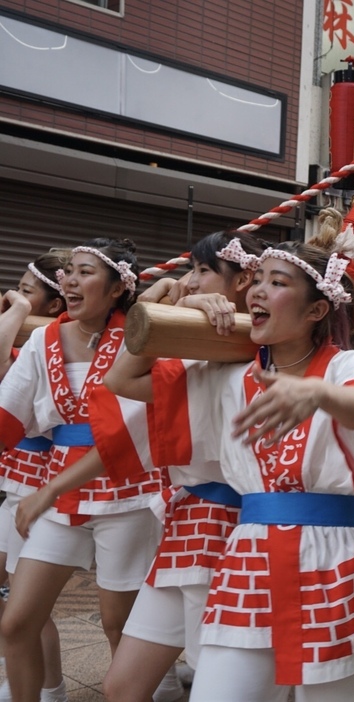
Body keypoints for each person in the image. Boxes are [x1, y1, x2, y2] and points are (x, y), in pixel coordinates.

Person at [102, 239, 354, 701]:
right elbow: (121, 379)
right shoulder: (228, 376)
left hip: (332, 560)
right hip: (247, 557)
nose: (257, 291)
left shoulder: (347, 364)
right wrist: (179, 303)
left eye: (277, 283)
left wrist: (317, 394)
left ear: (317, 310)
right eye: (256, 279)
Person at [0, 239, 165, 702]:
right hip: (60, 492)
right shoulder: (44, 338)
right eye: (68, 271)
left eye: (85, 272)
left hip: (127, 493)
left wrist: (172, 285)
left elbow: (132, 431)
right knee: (17, 620)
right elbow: (7, 415)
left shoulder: (142, 337)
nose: (70, 280)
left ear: (117, 289)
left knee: (118, 627)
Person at [0, 250, 68, 702]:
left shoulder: (53, 345)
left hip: (35, 482)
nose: (15, 299)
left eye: (27, 292)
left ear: (54, 306)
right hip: (12, 479)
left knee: (26, 604)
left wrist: (19, 312)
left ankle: (51, 689)